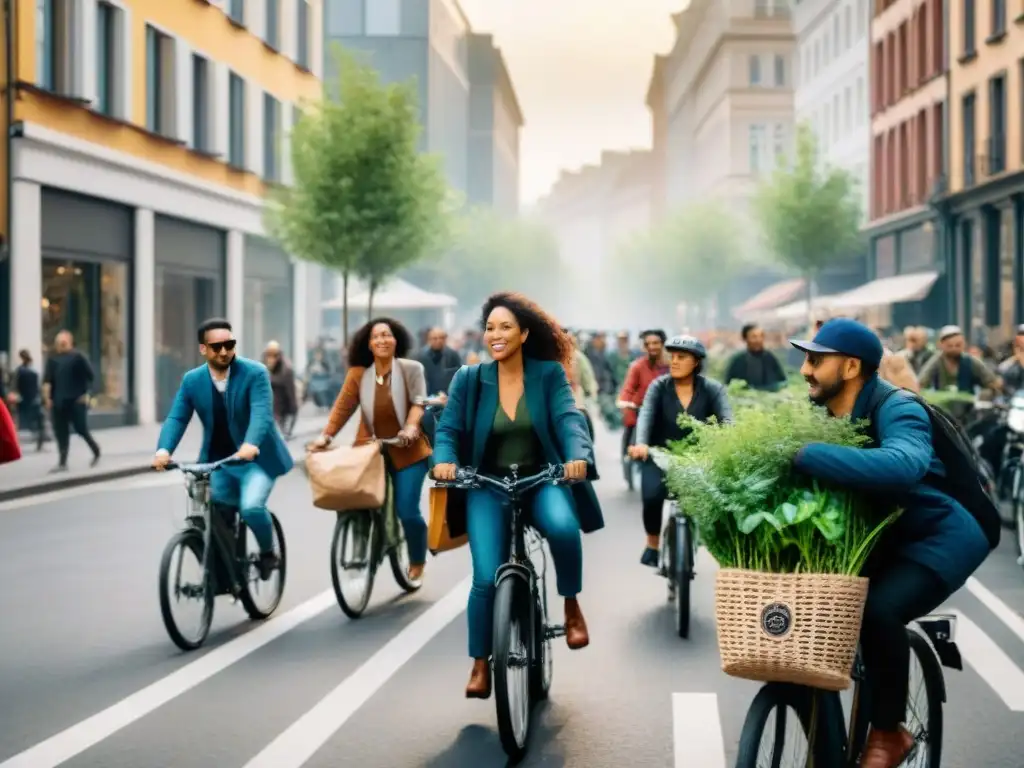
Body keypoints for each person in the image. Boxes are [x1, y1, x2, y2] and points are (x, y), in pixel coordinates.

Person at [789, 318, 989, 768]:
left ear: (850, 366)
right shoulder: (827, 408)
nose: (805, 369)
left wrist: (807, 456)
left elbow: (903, 465)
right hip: (886, 527)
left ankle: (888, 733)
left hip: (945, 531)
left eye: (816, 360)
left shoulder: (899, 408)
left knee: (879, 610)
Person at [432, 292, 602, 699]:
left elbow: (567, 419)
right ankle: (479, 663)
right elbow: (448, 430)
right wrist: (445, 462)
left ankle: (571, 604)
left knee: (563, 527)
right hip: (486, 485)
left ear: (524, 334)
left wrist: (577, 457)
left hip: (541, 478)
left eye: (506, 326)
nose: (496, 334)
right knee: (485, 577)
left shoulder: (548, 375)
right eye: (490, 327)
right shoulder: (469, 379)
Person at [152, 318, 291, 580]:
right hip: (218, 462)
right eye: (216, 347)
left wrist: (250, 444)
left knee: (250, 508)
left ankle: (267, 552)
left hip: (256, 461)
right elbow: (177, 417)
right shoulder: (192, 380)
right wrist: (163, 451)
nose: (224, 351)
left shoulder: (255, 373)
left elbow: (262, 414)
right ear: (203, 349)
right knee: (209, 515)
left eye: (229, 344)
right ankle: (224, 572)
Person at [309, 317, 432, 585]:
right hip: (369, 450)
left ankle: (416, 559)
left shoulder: (411, 369)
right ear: (368, 344)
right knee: (352, 498)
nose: (382, 340)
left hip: (407, 451)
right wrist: (325, 437)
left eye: (387, 335)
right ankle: (360, 549)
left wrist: (411, 428)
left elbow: (418, 404)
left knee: (407, 510)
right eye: (376, 337)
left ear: (396, 339)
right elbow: (343, 407)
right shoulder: (358, 375)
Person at [628, 335, 732, 566]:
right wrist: (643, 444)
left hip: (700, 458)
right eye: (672, 356)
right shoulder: (658, 387)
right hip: (659, 454)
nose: (673, 361)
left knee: (716, 500)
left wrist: (729, 445)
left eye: (681, 357)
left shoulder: (713, 389)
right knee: (652, 496)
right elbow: (645, 415)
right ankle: (653, 542)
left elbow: (727, 422)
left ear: (696, 362)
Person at [43, 330, 101, 472]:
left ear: (69, 342)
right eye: (58, 343)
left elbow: (91, 377)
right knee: (61, 431)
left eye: (63, 342)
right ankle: (62, 462)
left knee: (81, 429)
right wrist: (47, 398)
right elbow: (47, 380)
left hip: (76, 400)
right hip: (58, 401)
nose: (60, 345)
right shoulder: (52, 359)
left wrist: (88, 395)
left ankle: (96, 451)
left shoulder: (78, 357)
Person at [618, 330, 670, 472]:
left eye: (655, 343)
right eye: (648, 344)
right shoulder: (637, 366)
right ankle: (627, 457)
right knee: (630, 429)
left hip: (666, 410)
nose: (652, 346)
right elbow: (628, 389)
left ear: (663, 344)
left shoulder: (671, 366)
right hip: (640, 409)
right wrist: (625, 402)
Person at [917, 325, 1001, 393]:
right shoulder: (936, 361)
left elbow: (991, 381)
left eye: (958, 345)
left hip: (969, 408)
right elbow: (921, 382)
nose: (954, 349)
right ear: (941, 345)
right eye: (950, 346)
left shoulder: (971, 361)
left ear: (964, 344)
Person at [724, 323, 788, 391]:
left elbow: (782, 381)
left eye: (761, 336)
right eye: (754, 337)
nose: (759, 340)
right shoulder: (738, 360)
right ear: (745, 338)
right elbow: (729, 385)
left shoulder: (769, 358)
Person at [8, 349, 45, 451]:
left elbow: (14, 386)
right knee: (40, 422)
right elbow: (38, 386)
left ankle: (14, 443)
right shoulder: (33, 370)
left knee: (17, 421)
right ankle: (40, 444)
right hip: (34, 399)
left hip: (23, 399)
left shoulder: (19, 371)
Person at [263, 341, 298, 438]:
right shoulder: (263, 367)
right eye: (268, 356)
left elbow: (291, 392)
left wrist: (293, 409)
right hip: (269, 408)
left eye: (274, 356)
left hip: (281, 407)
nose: (271, 359)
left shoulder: (286, 369)